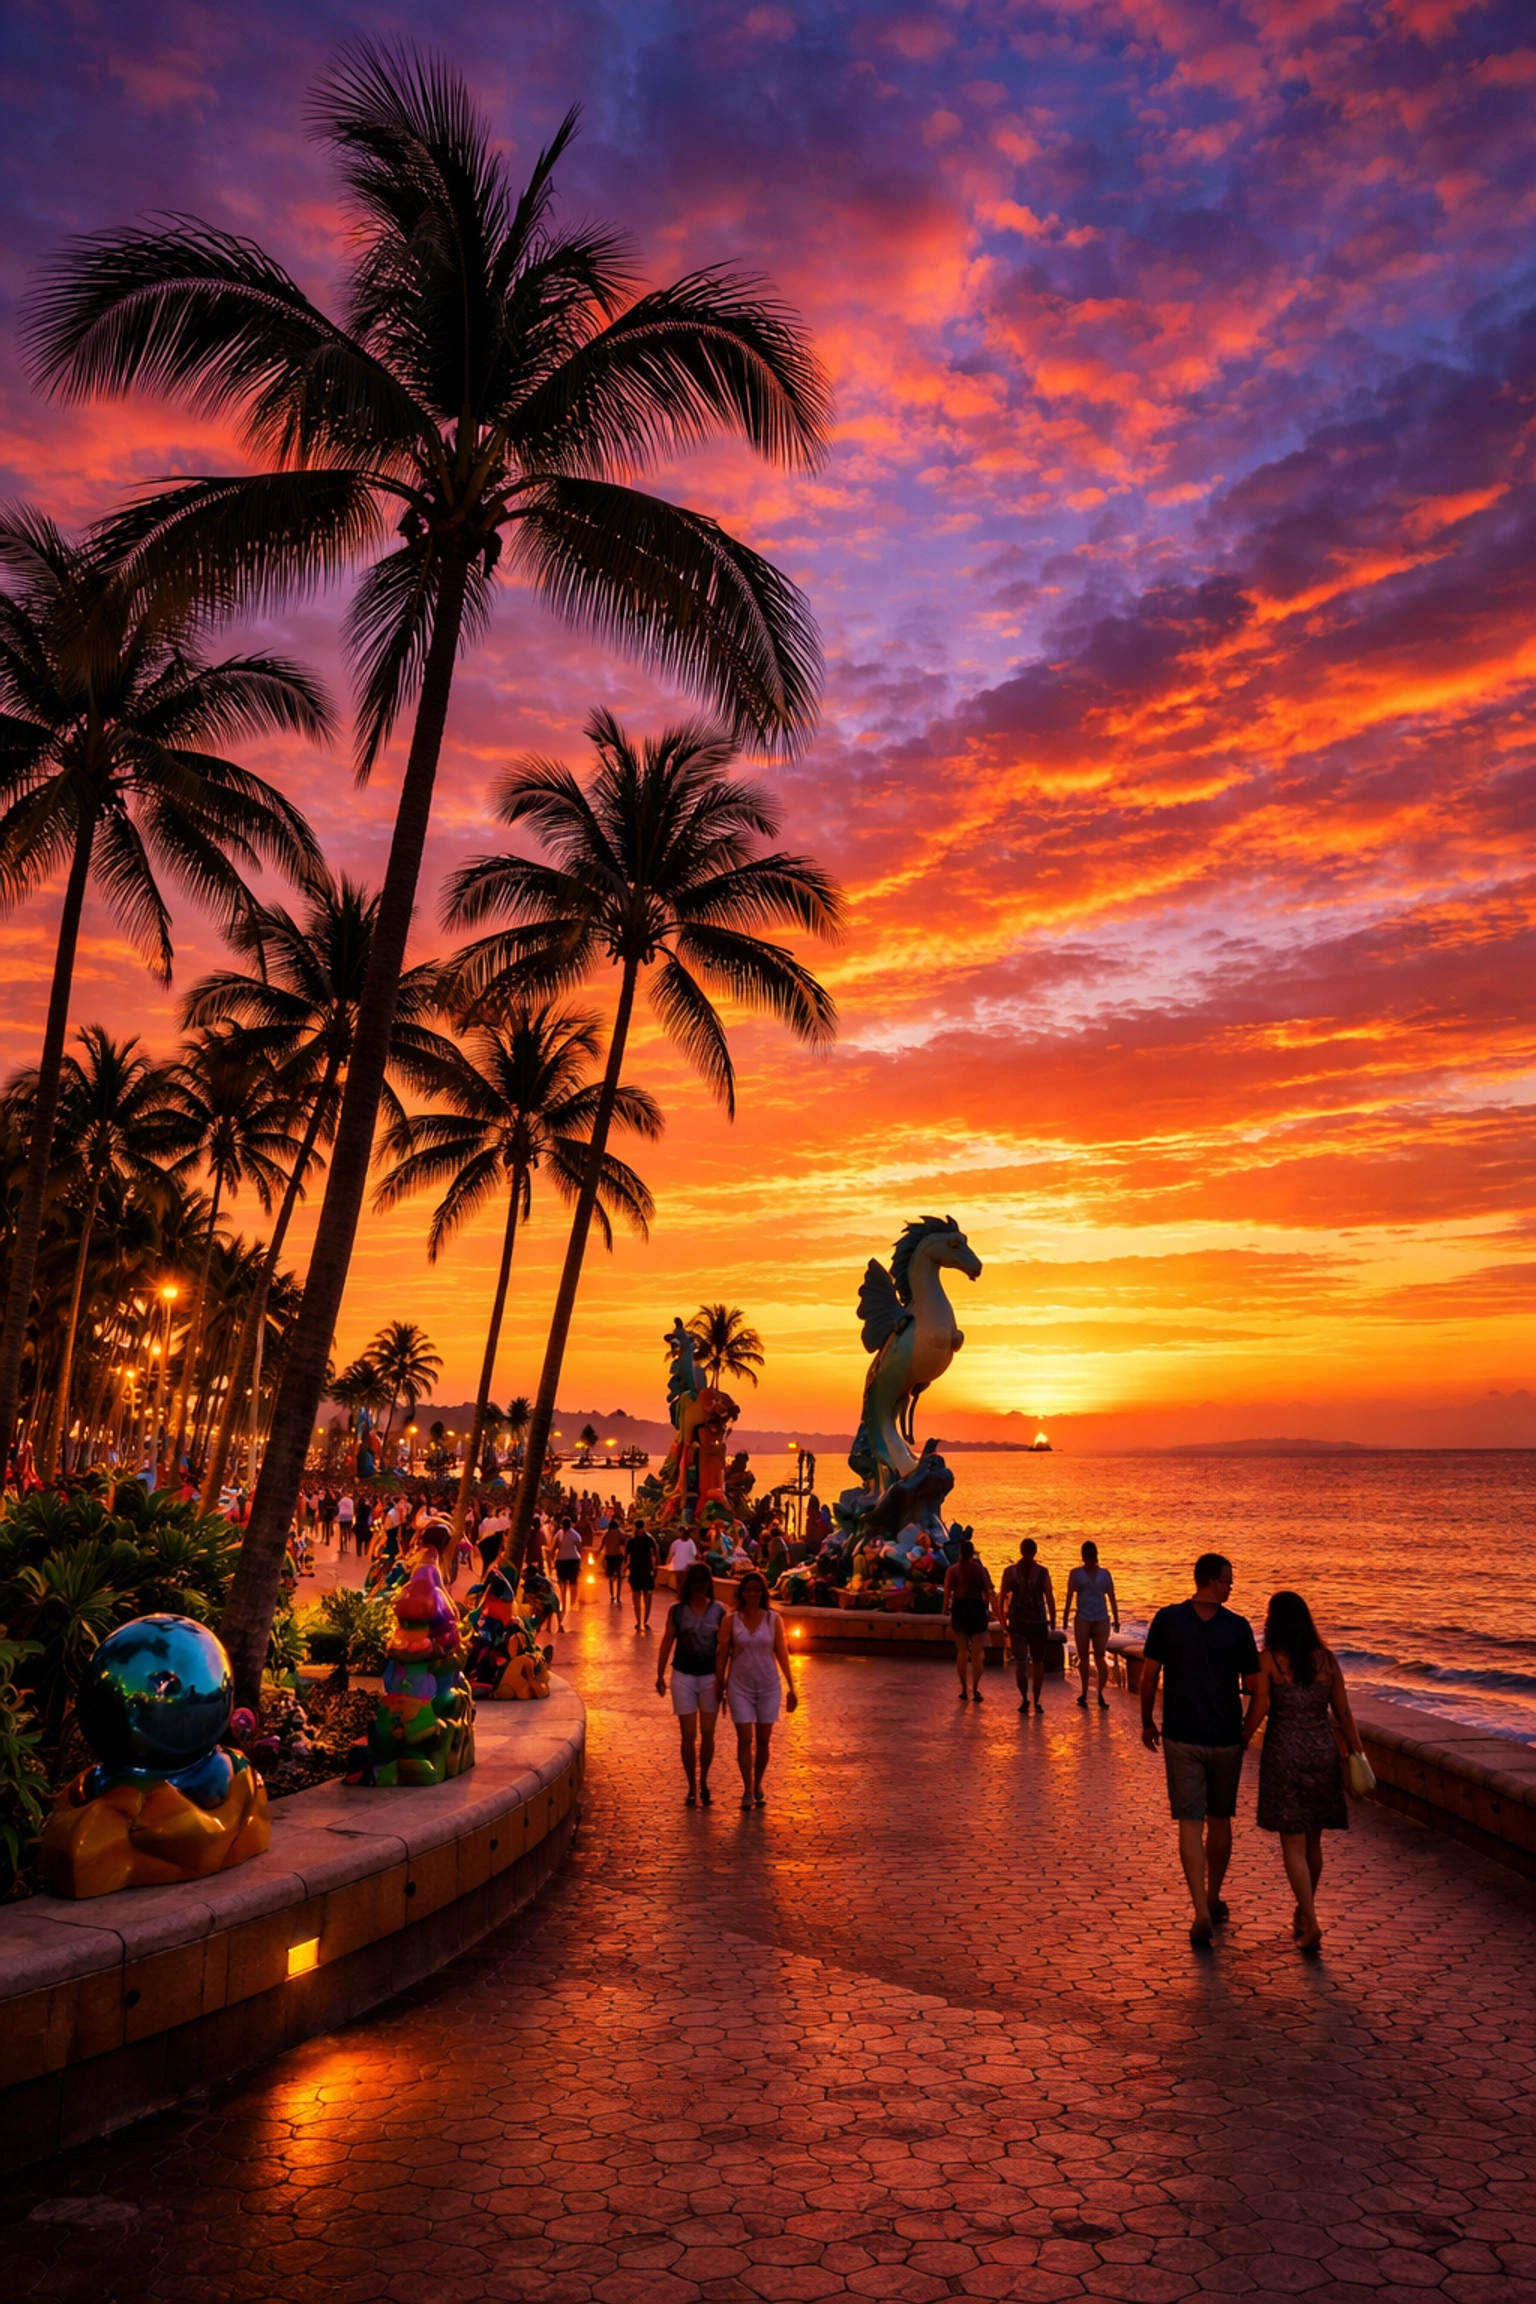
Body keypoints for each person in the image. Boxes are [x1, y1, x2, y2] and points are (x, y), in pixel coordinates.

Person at [1141, 1553, 1261, 1947]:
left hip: (1182, 1735)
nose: (1231, 1586)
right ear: (1209, 1580)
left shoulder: (1167, 1620)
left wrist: (1147, 1721)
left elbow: (1149, 1674)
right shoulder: (1238, 1628)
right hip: (1225, 1738)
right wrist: (1244, 1734)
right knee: (1220, 1820)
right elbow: (1256, 1687)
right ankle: (1212, 1895)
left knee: (1190, 1824)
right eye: (1227, 1580)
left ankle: (1200, 1909)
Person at [1244, 1591, 1363, 1954]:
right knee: (1313, 1843)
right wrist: (1357, 1751)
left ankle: (1310, 1922)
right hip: (1321, 1753)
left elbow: (1261, 1705)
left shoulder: (1269, 1661)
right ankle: (1303, 1911)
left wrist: (1241, 1739)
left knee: (1292, 1845)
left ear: (1273, 1621)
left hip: (1284, 1754)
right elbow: (1343, 1714)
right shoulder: (1326, 1660)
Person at [716, 1570, 798, 1808]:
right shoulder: (731, 1621)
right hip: (739, 1686)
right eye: (748, 1590)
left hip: (768, 1686)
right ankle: (747, 1788)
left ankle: (759, 1782)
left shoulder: (774, 1620)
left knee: (763, 1740)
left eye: (756, 1590)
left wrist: (792, 1686)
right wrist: (719, 1682)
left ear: (762, 1593)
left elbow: (782, 1652)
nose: (752, 1594)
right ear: (742, 1592)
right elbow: (722, 1653)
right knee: (745, 1738)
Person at [655, 1563, 726, 1805]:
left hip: (709, 1678)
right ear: (688, 1585)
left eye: (702, 1582)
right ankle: (691, 1785)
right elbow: (667, 1641)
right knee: (688, 1734)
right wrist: (660, 1674)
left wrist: (723, 1680)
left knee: (708, 1733)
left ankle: (704, 1779)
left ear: (708, 1584)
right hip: (683, 1676)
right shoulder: (677, 1611)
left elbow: (724, 1649)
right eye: (694, 1583)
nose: (698, 1587)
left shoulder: (719, 1611)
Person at [1000, 1537, 1056, 1713]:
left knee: (1021, 1662)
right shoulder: (1042, 1572)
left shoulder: (1010, 1572)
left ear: (1021, 1550)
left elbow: (1002, 1596)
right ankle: (1037, 1701)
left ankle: (1024, 1699)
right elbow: (1049, 1597)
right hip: (1038, 1622)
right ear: (1035, 1552)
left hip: (1017, 1623)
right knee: (1038, 1662)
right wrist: (1053, 1619)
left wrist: (1002, 1618)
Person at [1063, 1540, 1120, 1710]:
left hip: (1101, 1618)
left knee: (1100, 1656)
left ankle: (1100, 1693)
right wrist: (1065, 1618)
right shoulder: (1076, 1574)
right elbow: (1069, 1596)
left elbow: (1111, 1596)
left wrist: (1116, 1619)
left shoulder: (1104, 1574)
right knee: (1083, 1657)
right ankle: (1084, 1692)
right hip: (1082, 1618)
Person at [943, 1537, 996, 1702]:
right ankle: (976, 1688)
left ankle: (964, 1689)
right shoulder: (980, 1570)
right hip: (977, 1610)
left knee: (962, 1651)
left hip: (959, 1610)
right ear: (972, 1553)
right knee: (978, 1652)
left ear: (960, 1552)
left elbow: (947, 1594)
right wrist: (992, 1611)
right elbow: (989, 1592)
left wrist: (945, 1610)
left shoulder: (952, 1571)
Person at [626, 1521, 660, 1631]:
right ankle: (645, 1621)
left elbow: (626, 1556)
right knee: (648, 1595)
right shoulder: (649, 1539)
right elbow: (656, 1551)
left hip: (635, 1570)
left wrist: (625, 1569)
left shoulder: (631, 1541)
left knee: (636, 1595)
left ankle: (638, 1621)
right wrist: (656, 1567)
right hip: (647, 1570)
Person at [553, 1518, 582, 1622]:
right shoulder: (575, 1535)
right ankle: (573, 1604)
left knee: (562, 1583)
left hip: (561, 1560)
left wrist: (552, 1560)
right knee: (573, 1582)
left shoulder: (559, 1534)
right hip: (574, 1560)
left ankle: (563, 1604)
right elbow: (579, 1548)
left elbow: (553, 1547)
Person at [602, 1514, 626, 1604]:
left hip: (608, 1556)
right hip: (617, 1555)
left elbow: (602, 1545)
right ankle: (618, 1595)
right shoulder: (619, 1533)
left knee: (611, 1576)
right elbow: (623, 1542)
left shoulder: (607, 1534)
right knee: (619, 1576)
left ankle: (612, 1595)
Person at [336, 1490, 354, 1555]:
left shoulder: (340, 1501)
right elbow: (352, 1509)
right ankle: (346, 1547)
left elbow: (337, 1509)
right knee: (347, 1531)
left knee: (342, 1532)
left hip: (342, 1517)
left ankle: (341, 1548)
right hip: (349, 1517)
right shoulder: (351, 1501)